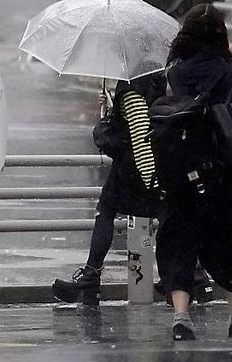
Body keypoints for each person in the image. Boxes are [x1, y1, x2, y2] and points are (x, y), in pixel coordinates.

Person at [154, 3, 232, 341]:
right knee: (231, 243)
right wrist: (231, 62)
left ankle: (182, 316)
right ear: (221, 37)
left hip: (182, 169)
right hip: (226, 171)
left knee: (179, 241)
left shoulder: (173, 75)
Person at [51, 74, 170, 302]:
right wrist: (113, 107)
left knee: (108, 211)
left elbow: (140, 133)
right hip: (145, 166)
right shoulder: (157, 79)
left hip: (135, 169)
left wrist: (151, 179)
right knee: (164, 215)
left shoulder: (134, 85)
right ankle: (184, 274)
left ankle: (92, 275)